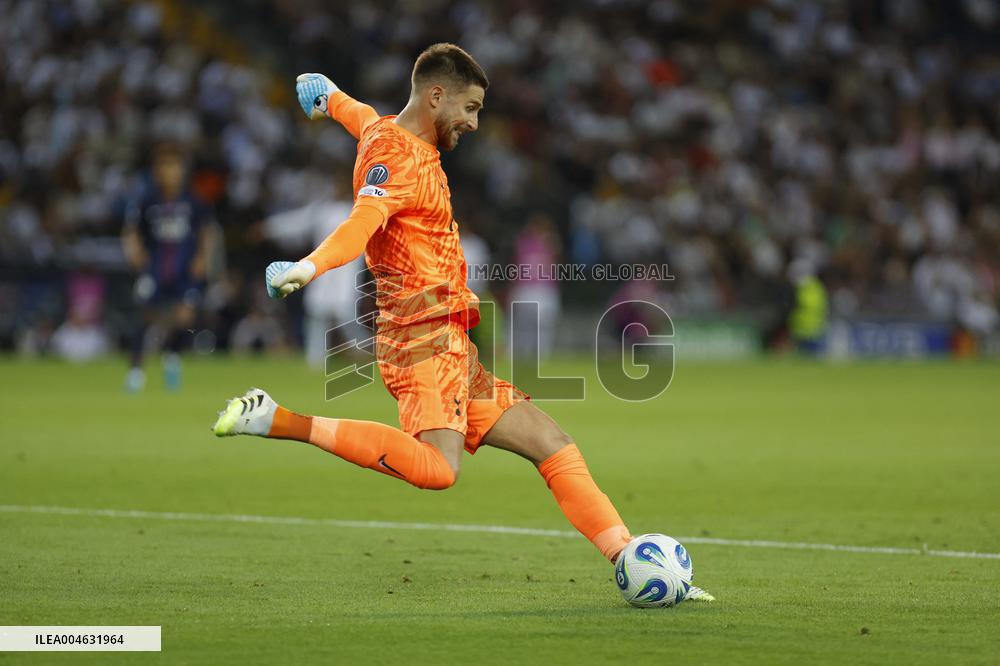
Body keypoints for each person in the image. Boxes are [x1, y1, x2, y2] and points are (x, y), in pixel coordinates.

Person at [212, 44, 710, 601]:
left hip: (451, 340)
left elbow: (363, 117)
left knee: (551, 441)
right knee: (437, 469)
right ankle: (276, 419)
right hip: (419, 337)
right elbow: (362, 221)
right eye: (470, 109)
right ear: (436, 96)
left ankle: (628, 556)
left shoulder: (385, 134)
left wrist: (329, 96)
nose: (473, 123)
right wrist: (309, 266)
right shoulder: (400, 161)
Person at [122, 143, 215, 391]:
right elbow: (132, 231)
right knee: (146, 316)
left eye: (174, 166)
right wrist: (135, 253)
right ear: (156, 171)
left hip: (184, 270)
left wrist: (202, 259)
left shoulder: (193, 202)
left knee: (184, 316)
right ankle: (136, 371)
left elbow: (206, 232)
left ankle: (172, 357)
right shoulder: (148, 201)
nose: (170, 172)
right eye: (165, 166)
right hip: (154, 268)